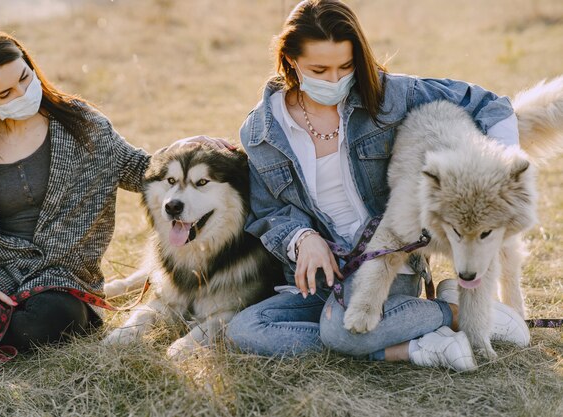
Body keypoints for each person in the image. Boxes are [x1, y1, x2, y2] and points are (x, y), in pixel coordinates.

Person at [226, 0, 529, 372]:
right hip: (320, 272)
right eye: (319, 70)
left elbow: (490, 105)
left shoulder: (390, 95)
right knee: (245, 329)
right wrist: (301, 238)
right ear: (290, 61)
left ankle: (452, 313)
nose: (336, 80)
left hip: (385, 260)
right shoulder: (261, 132)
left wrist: (500, 175)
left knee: (341, 331)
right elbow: (267, 211)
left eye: (346, 66)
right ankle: (416, 342)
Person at [0, 29, 229, 360]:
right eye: (5, 94)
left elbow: (140, 170)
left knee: (42, 323)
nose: (23, 93)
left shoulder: (83, 125)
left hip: (61, 282)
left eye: (25, 78)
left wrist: (180, 149)